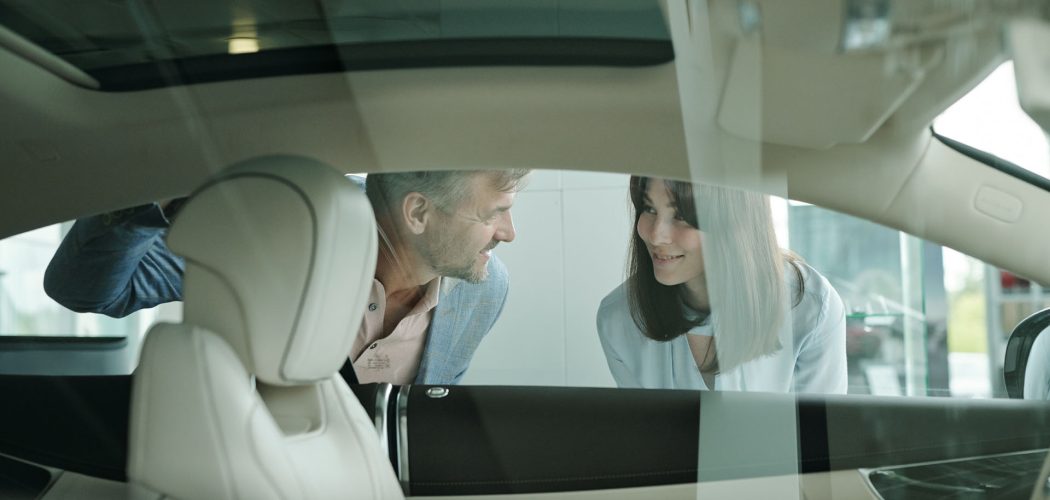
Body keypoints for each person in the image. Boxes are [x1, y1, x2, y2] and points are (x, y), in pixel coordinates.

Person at [44, 169, 530, 385]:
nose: (509, 233)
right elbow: (84, 289)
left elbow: (421, 421)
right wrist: (157, 197)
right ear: (418, 211)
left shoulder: (484, 290)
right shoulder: (278, 227)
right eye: (495, 213)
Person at [596, 176, 847, 393]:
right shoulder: (618, 319)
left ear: (736, 222)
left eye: (681, 215)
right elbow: (645, 438)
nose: (656, 235)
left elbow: (820, 440)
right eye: (649, 209)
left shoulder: (810, 307)